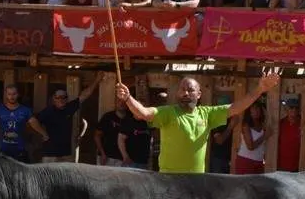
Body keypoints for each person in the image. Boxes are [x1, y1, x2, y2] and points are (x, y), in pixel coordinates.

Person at [115, 72, 281, 174]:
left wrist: (260, 89)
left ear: (199, 94)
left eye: (190, 90)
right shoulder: (168, 112)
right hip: (168, 180)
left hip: (196, 182)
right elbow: (143, 113)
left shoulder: (207, 114)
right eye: (182, 89)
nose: (185, 92)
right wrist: (128, 98)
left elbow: (236, 108)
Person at [28, 72, 103, 163]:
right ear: (53, 99)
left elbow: (84, 95)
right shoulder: (48, 111)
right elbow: (32, 121)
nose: (61, 99)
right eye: (58, 97)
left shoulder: (69, 108)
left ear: (67, 99)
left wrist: (97, 80)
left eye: (63, 97)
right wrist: (44, 134)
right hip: (50, 155)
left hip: (66, 155)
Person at [0, 84, 33, 162]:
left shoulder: (26, 111)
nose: (12, 96)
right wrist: (2, 137)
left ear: (18, 94)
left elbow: (30, 128)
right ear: (6, 95)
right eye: (9, 94)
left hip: (20, 150)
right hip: (4, 149)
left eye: (14, 94)